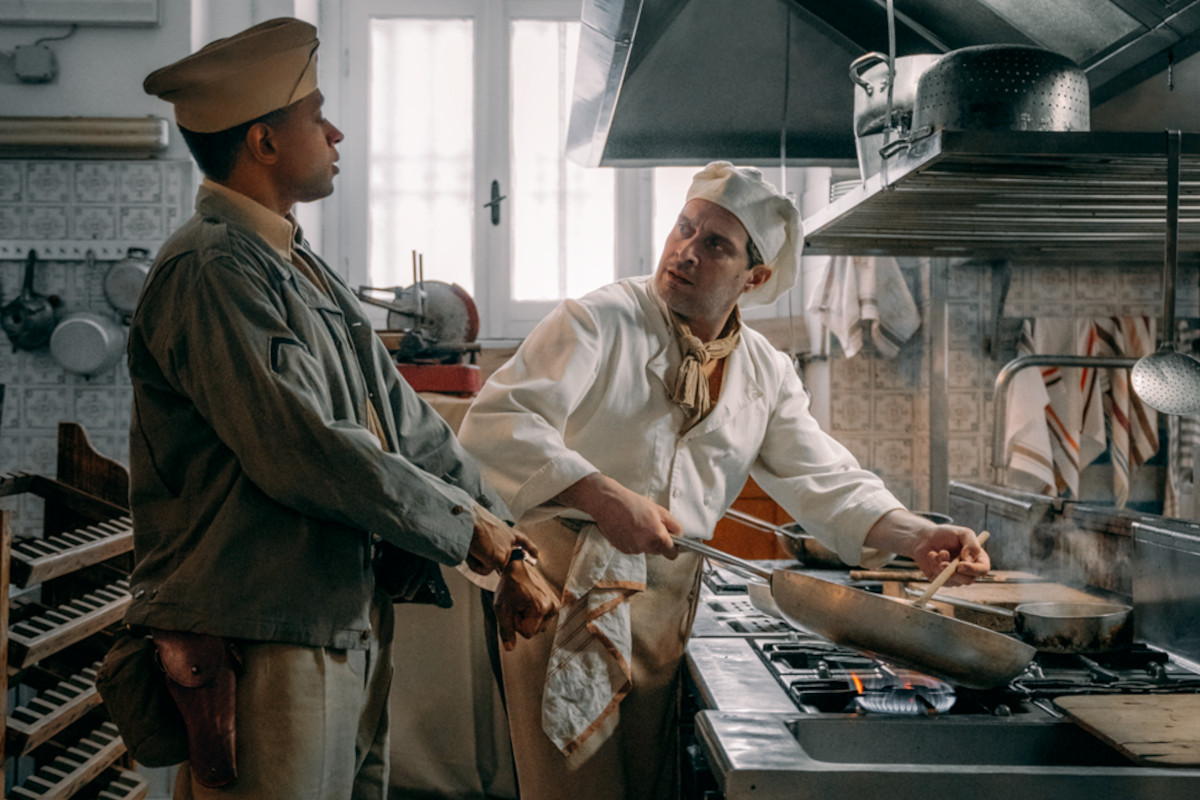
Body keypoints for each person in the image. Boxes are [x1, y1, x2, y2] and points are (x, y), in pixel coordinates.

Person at [457, 161, 991, 800]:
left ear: (755, 276)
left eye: (715, 244)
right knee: (574, 787)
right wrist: (601, 494)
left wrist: (919, 535)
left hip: (667, 604)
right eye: (685, 228)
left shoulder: (764, 370)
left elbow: (823, 477)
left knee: (647, 784)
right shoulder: (597, 321)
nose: (685, 251)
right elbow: (496, 423)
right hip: (563, 587)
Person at [125, 18, 557, 799]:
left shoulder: (302, 268)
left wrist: (509, 544)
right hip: (264, 633)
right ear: (262, 142)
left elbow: (411, 428)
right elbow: (304, 449)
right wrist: (470, 533)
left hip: (341, 621)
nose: (336, 131)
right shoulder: (211, 268)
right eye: (316, 113)